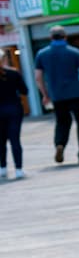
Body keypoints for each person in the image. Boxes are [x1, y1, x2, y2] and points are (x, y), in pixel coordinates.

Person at [34, 26, 79, 164]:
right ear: (65, 36)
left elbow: (38, 77)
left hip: (57, 95)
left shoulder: (42, 54)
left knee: (62, 122)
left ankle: (60, 144)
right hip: (76, 93)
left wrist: (45, 94)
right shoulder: (74, 52)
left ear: (50, 38)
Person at [0, 50, 27, 180]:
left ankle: (3, 168)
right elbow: (24, 90)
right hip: (14, 109)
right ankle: (18, 169)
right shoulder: (13, 73)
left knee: (1, 141)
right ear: (4, 59)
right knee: (15, 140)